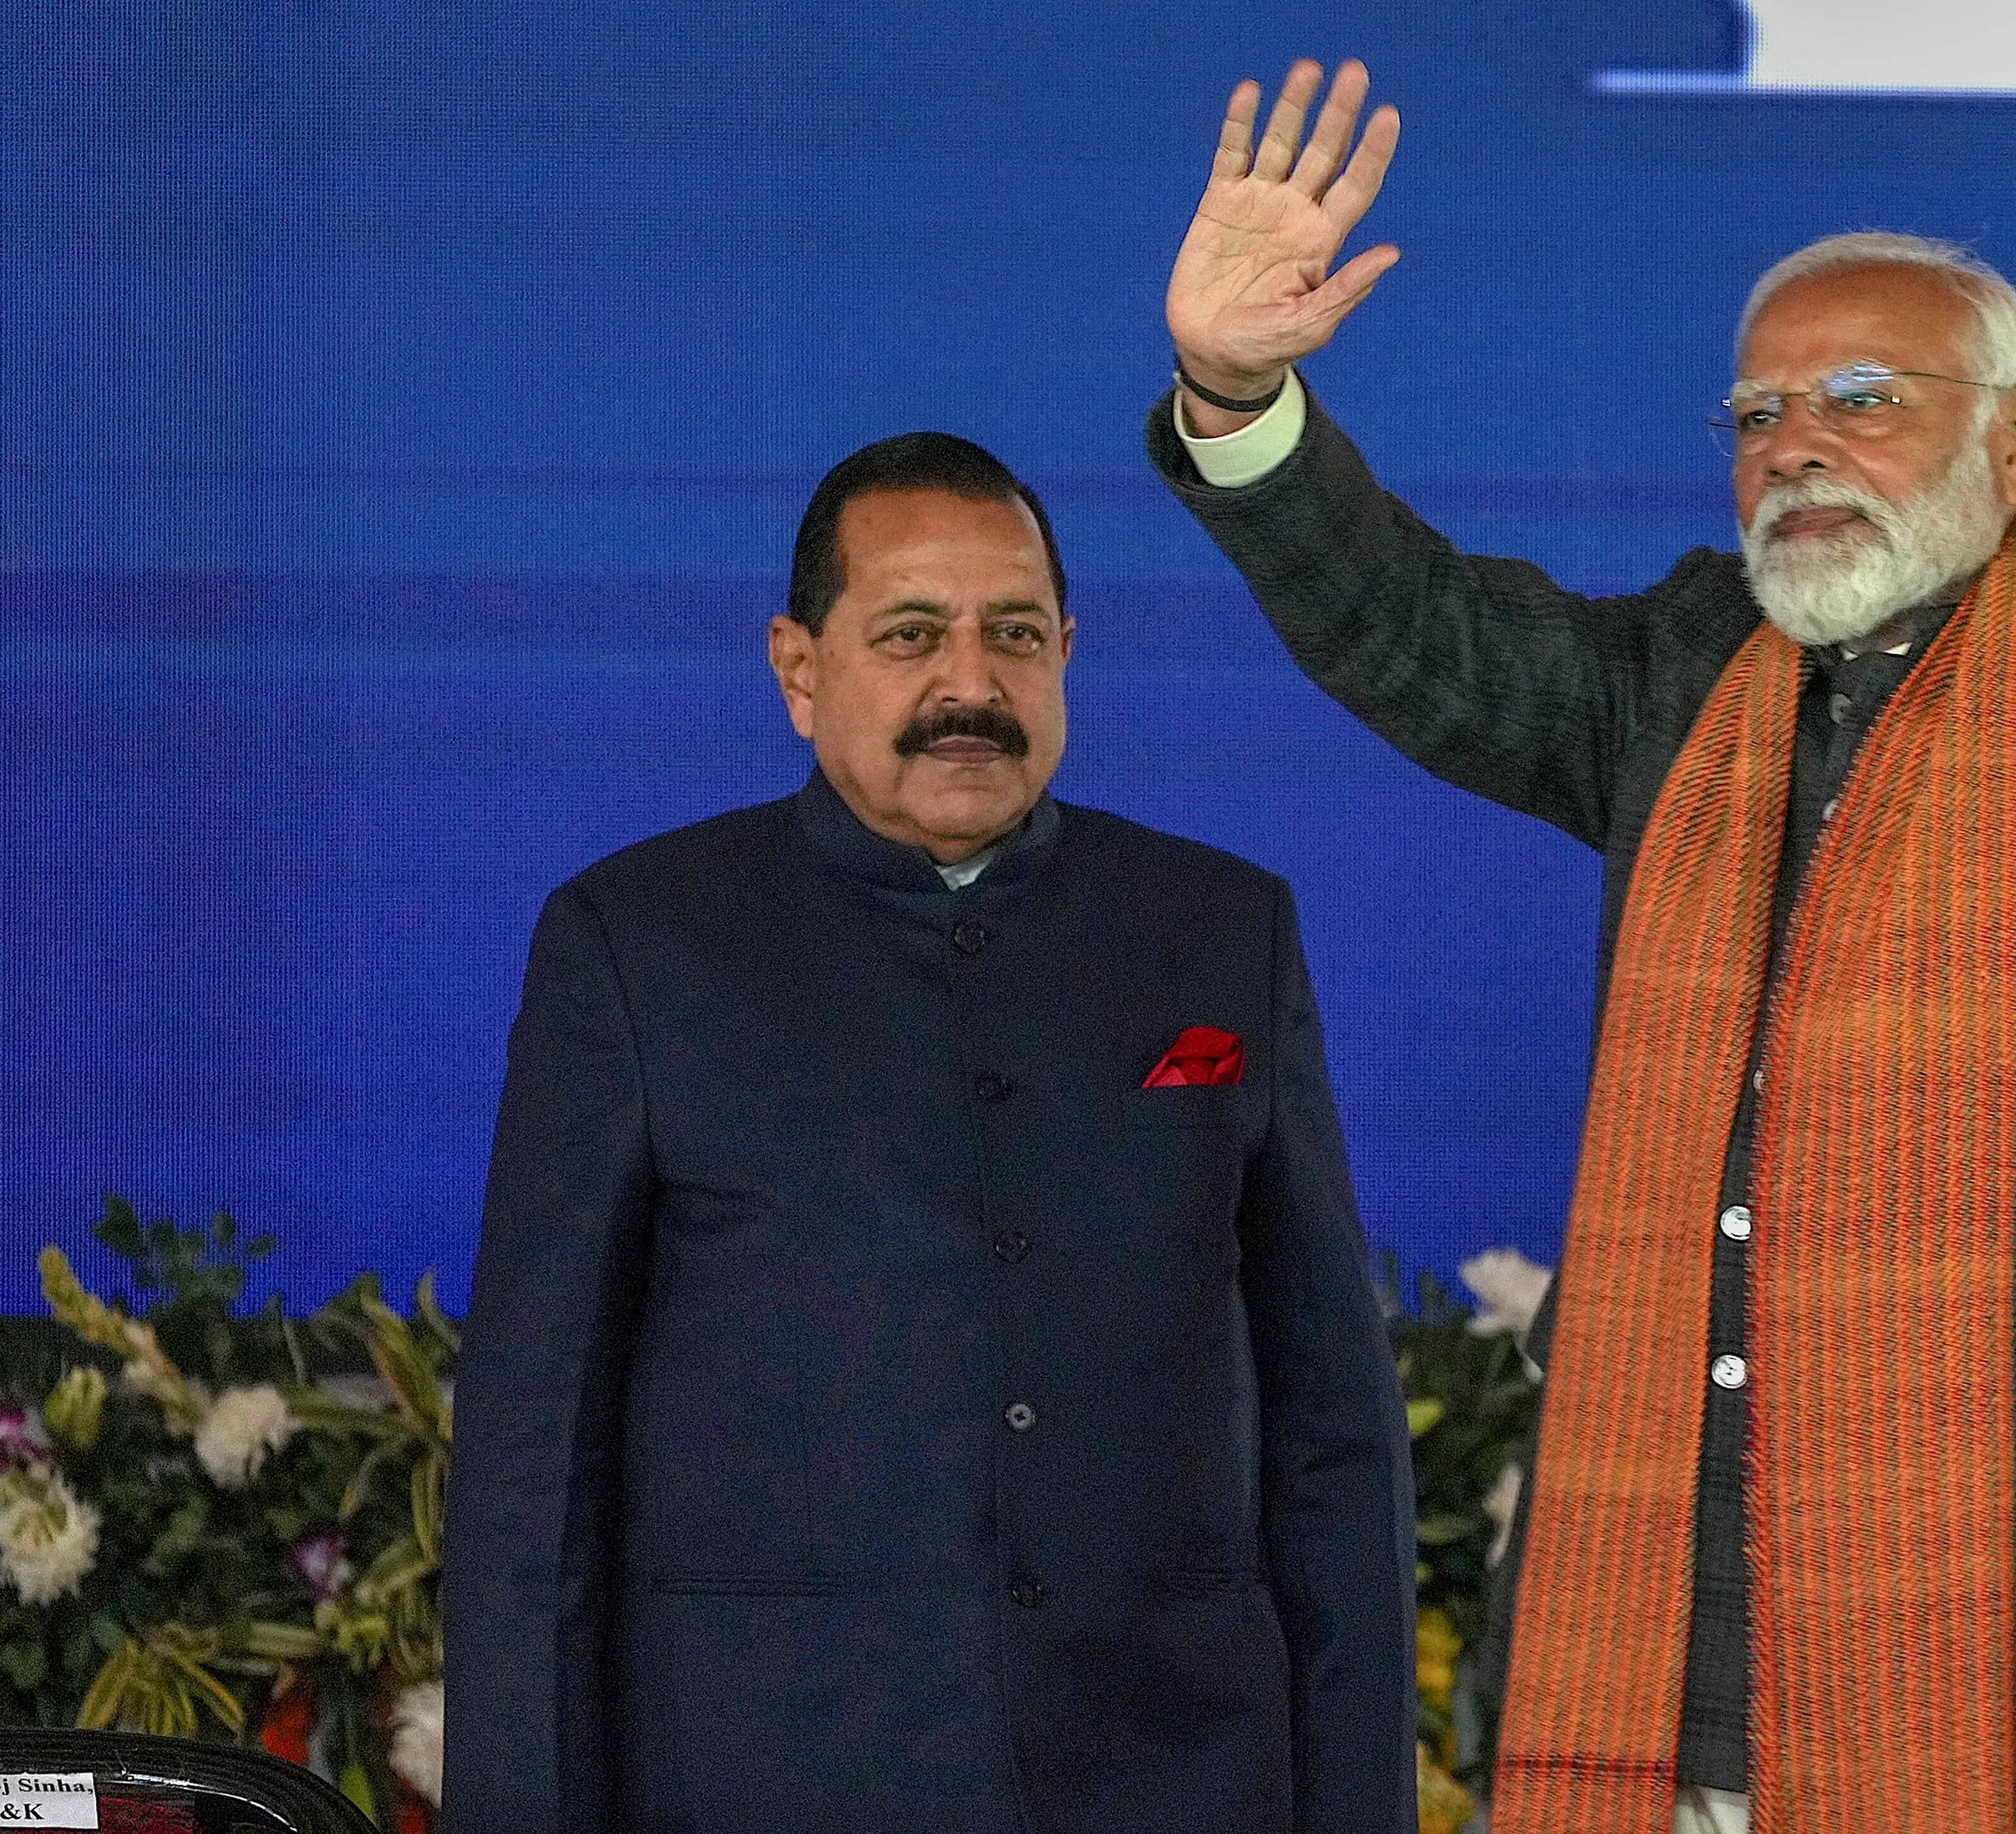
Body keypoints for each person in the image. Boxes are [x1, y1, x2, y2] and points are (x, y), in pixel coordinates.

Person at [1151, 58, 2016, 1834]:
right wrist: (1240, 392)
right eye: (1757, 415)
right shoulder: (1681, 684)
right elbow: (1419, 631)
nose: (1798, 447)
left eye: (1860, 397)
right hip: (1671, 1703)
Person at [445, 431, 1418, 1834]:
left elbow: (1333, 1438)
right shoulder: (638, 946)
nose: (970, 685)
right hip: (767, 1777)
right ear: (797, 667)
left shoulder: (1219, 933)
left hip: (1176, 1780)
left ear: (1068, 653)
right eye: (911, 635)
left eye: (1013, 634)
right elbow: (535, 1470)